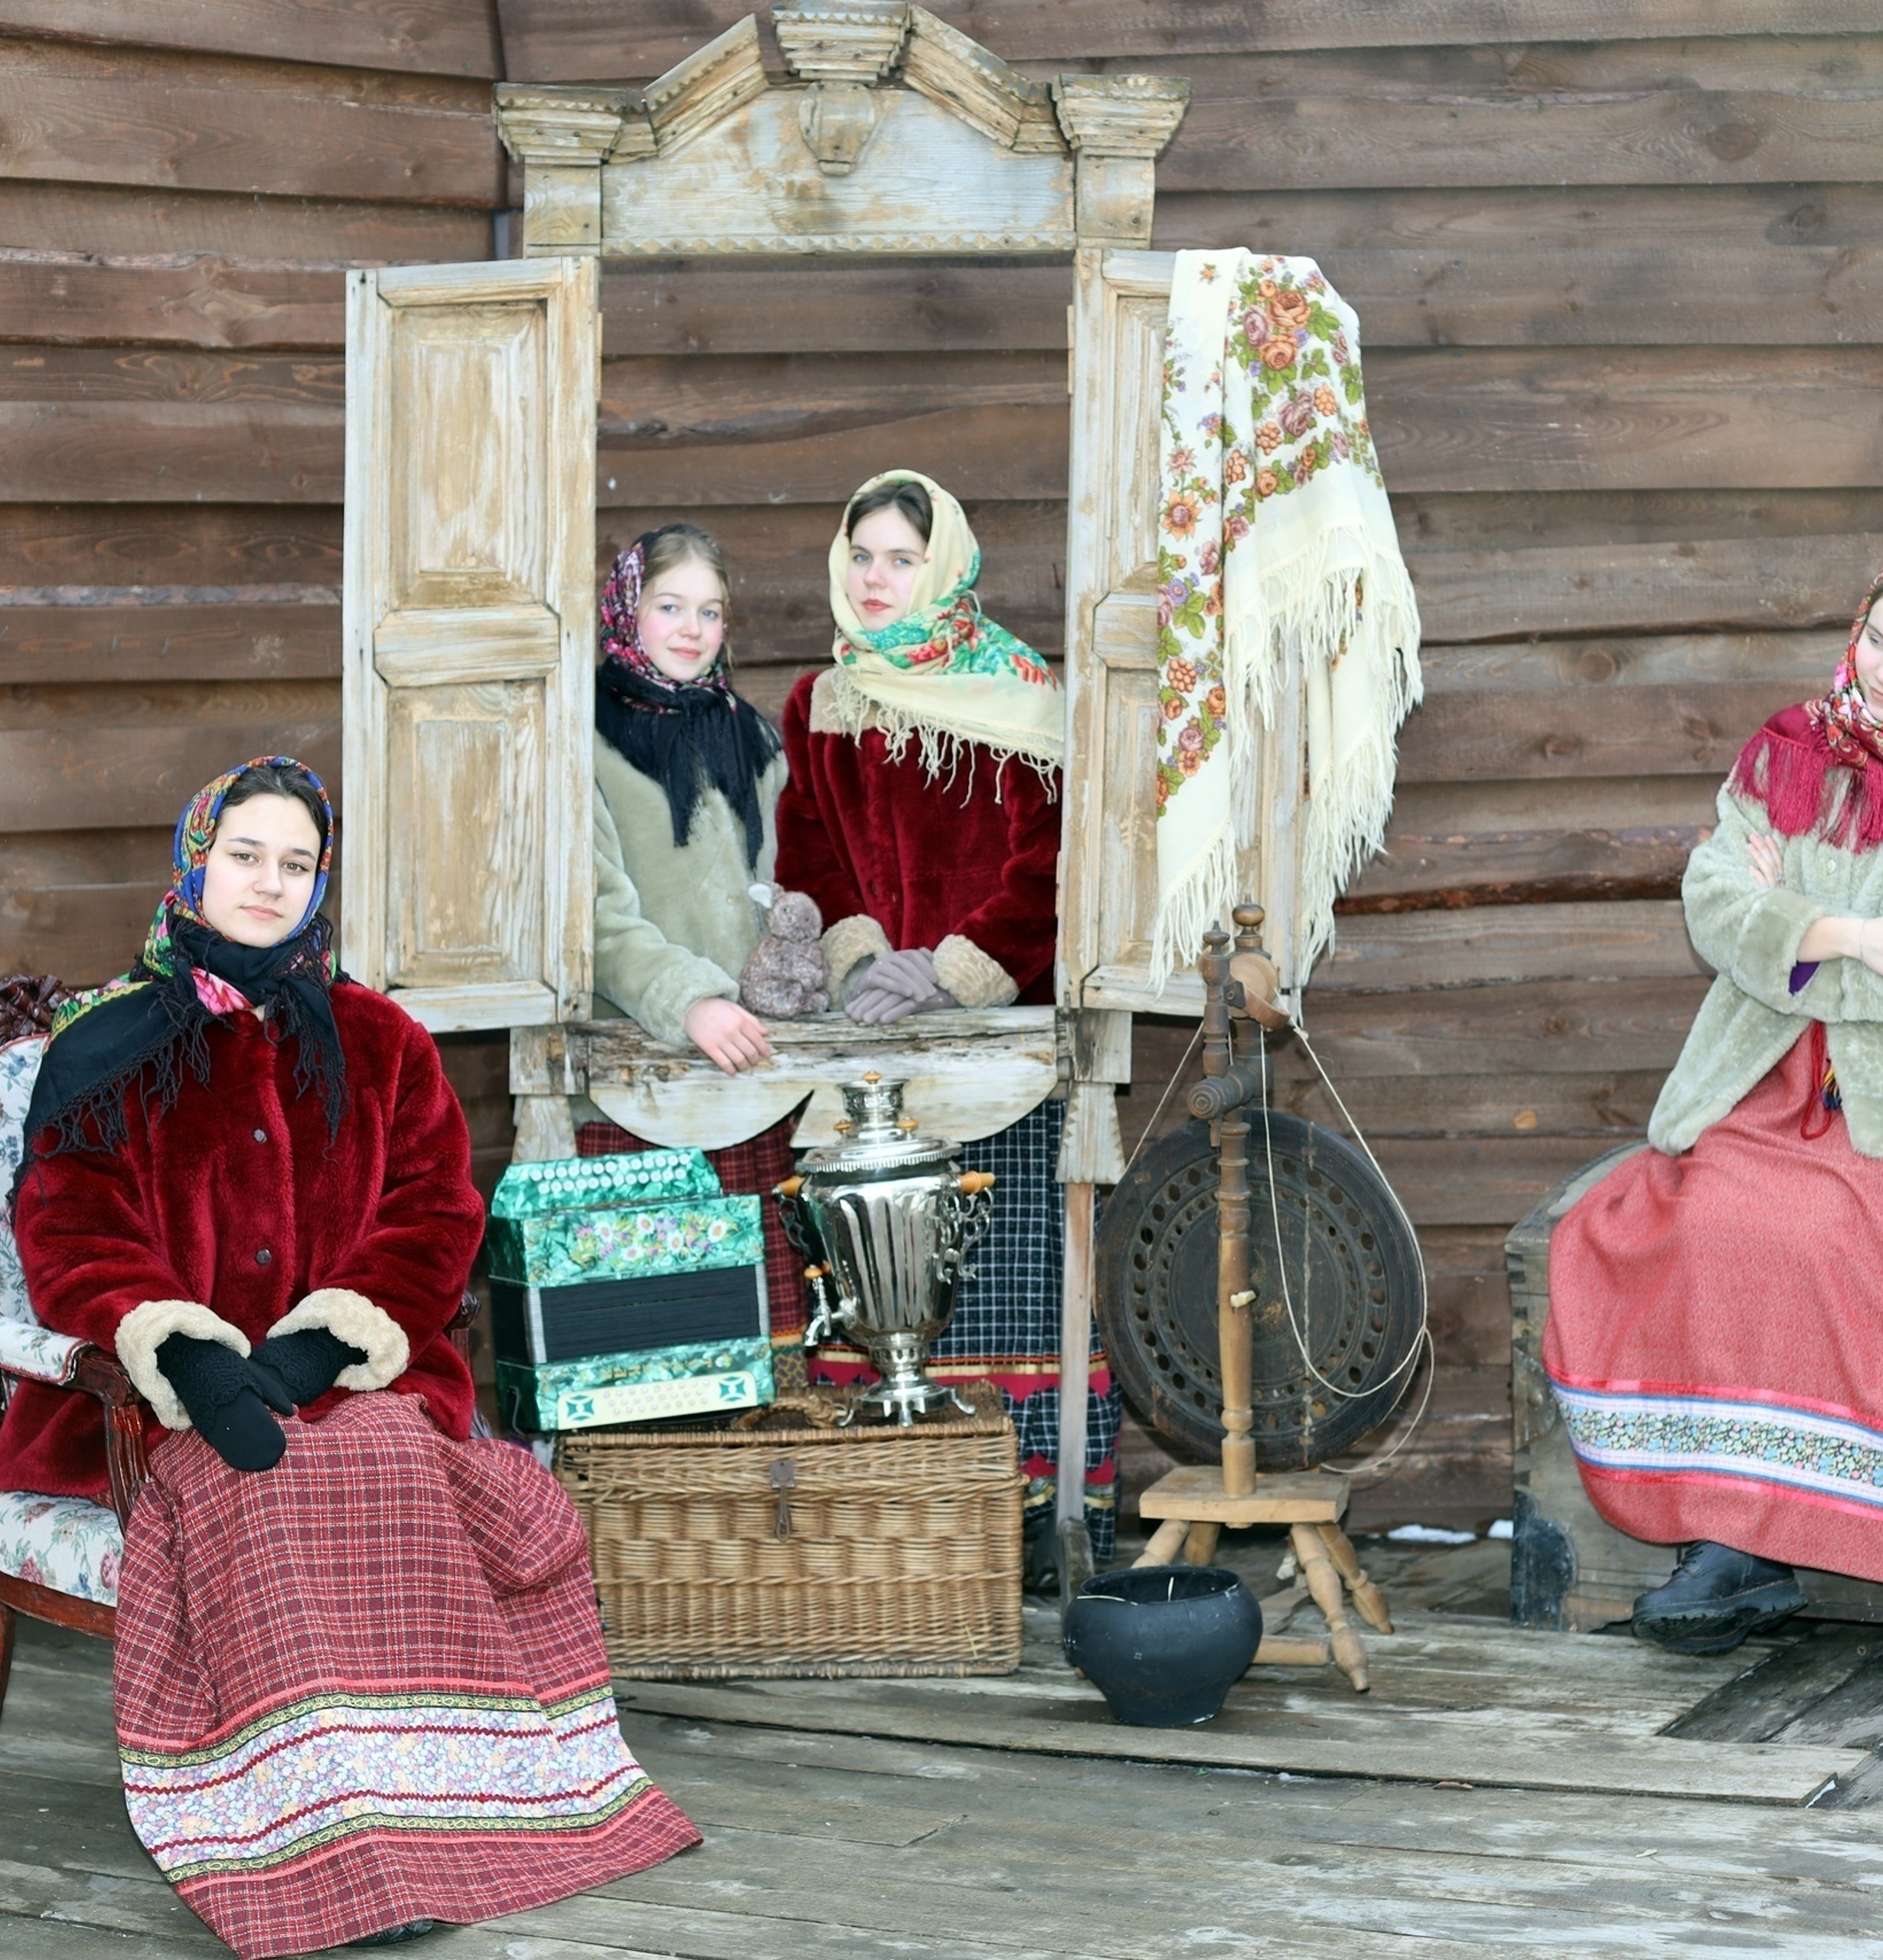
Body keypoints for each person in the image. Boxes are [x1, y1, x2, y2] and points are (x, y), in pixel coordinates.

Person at [0, 758, 697, 1955]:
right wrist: (188, 1356)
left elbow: (433, 1213)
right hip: (168, 1406)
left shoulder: (380, 1039)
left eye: (296, 864)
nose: (268, 883)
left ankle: (435, 1812)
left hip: (353, 1381)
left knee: (380, 1460)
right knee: (260, 1480)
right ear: (196, 863)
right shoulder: (102, 1048)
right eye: (245, 856)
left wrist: (326, 1343)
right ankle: (320, 1834)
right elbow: (70, 1232)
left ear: (320, 885)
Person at [1544, 550, 1883, 1653]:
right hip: (1765, 1082)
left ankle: (1791, 1531)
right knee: (1703, 1221)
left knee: (1830, 1238)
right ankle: (1730, 1543)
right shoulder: (1787, 752)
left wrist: (1791, 928)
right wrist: (1853, 933)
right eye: (1877, 641)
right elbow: (1715, 902)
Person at [777, 469, 1123, 1561]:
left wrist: (951, 969)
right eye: (862, 556)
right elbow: (811, 854)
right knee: (874, 1274)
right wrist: (861, 961)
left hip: (997, 1045)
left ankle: (1030, 1519)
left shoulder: (1017, 692)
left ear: (949, 566)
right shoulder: (822, 703)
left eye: (902, 558)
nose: (876, 578)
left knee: (1007, 1272)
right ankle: (894, 1521)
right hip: (876, 1041)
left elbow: (1051, 866)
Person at [580, 524, 806, 1389]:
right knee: (664, 1349)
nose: (691, 629)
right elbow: (597, 917)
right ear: (625, 610)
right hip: (641, 1088)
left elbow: (777, 890)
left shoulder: (752, 741)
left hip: (753, 1085)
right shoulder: (586, 739)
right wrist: (690, 999)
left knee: (765, 1354)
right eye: (669, 606)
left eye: (709, 612)